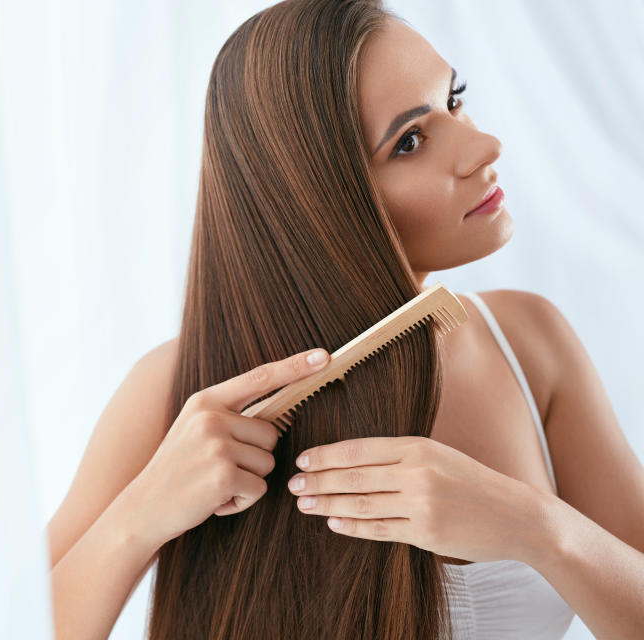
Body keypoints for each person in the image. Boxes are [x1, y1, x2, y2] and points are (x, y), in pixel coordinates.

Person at [47, 2, 644, 638]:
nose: (484, 146)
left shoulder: (530, 344)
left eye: (455, 99)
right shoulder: (179, 391)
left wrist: (539, 528)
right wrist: (141, 515)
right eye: (410, 141)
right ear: (315, 201)